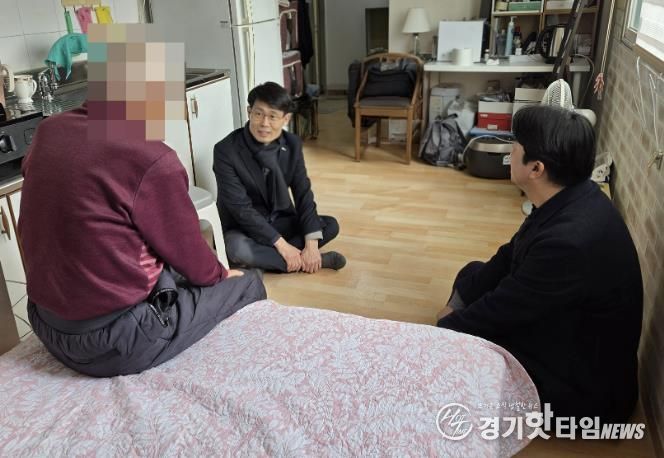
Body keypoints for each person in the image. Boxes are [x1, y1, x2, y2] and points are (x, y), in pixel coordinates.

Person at [19, 24, 266, 378]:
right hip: (112, 340)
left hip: (45, 322)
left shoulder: (48, 131)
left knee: (168, 270)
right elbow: (196, 262)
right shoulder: (152, 159)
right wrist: (225, 275)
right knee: (247, 284)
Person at [437, 105, 643, 424]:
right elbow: (510, 254)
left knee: (469, 358)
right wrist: (456, 315)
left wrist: (446, 331)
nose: (510, 151)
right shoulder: (572, 193)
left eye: (515, 145)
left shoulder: (568, 243)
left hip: (586, 390)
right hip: (565, 323)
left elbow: (504, 310)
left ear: (536, 168)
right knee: (473, 273)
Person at [214, 82, 345, 274]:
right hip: (245, 226)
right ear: (249, 112)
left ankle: (267, 259)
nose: (264, 123)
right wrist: (283, 246)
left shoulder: (291, 144)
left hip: (280, 219)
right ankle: (308, 261)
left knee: (330, 225)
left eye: (273, 116)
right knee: (236, 248)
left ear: (285, 118)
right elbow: (241, 210)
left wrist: (311, 244)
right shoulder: (226, 150)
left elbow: (303, 194)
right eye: (259, 114)